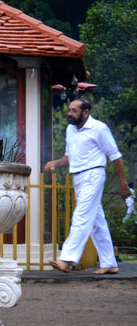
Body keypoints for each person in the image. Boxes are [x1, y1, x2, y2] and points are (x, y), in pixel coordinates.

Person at [44, 98, 130, 274]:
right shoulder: (70, 130)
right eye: (69, 110)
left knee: (81, 216)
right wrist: (56, 163)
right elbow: (69, 157)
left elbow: (115, 156)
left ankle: (67, 259)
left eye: (74, 110)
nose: (69, 113)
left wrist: (123, 183)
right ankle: (109, 263)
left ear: (86, 112)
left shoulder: (99, 128)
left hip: (94, 174)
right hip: (78, 177)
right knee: (97, 221)